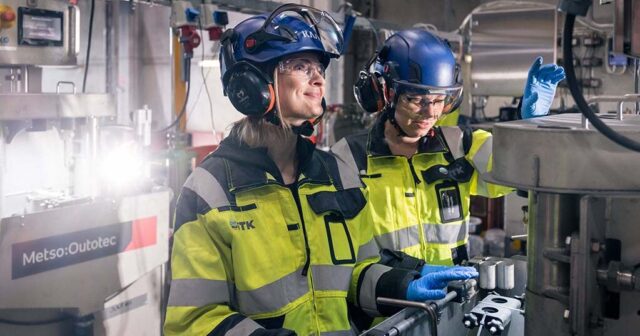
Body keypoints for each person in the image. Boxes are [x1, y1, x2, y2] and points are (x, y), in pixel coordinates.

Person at [163, 6, 476, 336]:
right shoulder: (210, 191)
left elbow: (358, 271)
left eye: (319, 67)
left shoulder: (335, 174)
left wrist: (402, 282)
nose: (318, 79)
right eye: (300, 66)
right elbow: (194, 320)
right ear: (251, 84)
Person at [333, 29, 564, 326]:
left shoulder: (460, 146)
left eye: (439, 99)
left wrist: (531, 128)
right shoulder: (349, 159)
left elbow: (519, 175)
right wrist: (405, 281)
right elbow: (343, 264)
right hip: (387, 317)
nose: (430, 113)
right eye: (416, 99)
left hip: (452, 309)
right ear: (385, 93)